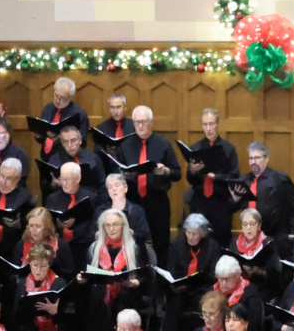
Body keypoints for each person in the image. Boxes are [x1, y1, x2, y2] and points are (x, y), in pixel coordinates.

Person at [118, 105, 180, 247]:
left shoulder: (163, 144)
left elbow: (177, 173)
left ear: (151, 122)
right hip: (133, 201)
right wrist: (124, 175)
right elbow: (118, 169)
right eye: (137, 122)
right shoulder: (125, 145)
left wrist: (165, 171)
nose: (140, 126)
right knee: (133, 244)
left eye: (144, 122)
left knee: (161, 243)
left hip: (157, 202)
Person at [79, 208, 144, 331]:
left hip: (127, 291)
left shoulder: (135, 248)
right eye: (107, 225)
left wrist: (132, 283)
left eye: (115, 224)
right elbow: (87, 273)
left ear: (123, 226)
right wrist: (81, 279)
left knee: (123, 297)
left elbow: (144, 277)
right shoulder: (94, 248)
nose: (111, 229)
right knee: (96, 295)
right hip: (101, 292)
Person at [162, 213, 220, 331]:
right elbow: (171, 271)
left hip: (201, 289)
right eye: (188, 232)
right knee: (173, 308)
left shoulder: (212, 246)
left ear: (203, 234)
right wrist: (177, 284)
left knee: (204, 305)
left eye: (194, 233)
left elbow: (213, 274)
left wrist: (200, 279)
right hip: (180, 289)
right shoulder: (176, 245)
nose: (190, 236)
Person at [182, 107, 240, 241]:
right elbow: (190, 179)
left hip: (220, 201)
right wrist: (193, 170)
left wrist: (216, 177)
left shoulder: (228, 148)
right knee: (198, 239)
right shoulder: (196, 148)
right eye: (205, 124)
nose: (208, 129)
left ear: (218, 124)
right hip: (200, 201)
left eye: (211, 124)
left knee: (221, 240)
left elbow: (234, 176)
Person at [230, 141, 294, 245]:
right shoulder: (244, 180)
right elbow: (232, 208)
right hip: (250, 237)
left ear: (267, 159)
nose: (253, 162)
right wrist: (235, 199)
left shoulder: (279, 179)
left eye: (257, 158)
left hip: (275, 237)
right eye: (250, 158)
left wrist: (293, 231)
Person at [34, 77, 90, 195]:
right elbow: (42, 130)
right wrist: (39, 135)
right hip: (47, 160)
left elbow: (82, 142)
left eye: (62, 97)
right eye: (56, 95)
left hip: (65, 162)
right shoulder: (48, 108)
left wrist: (60, 137)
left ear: (70, 96)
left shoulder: (78, 114)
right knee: (47, 194)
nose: (58, 100)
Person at [12, 207, 76, 280]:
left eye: (38, 226)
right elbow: (15, 271)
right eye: (31, 226)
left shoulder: (61, 245)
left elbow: (69, 274)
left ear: (47, 227)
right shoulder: (22, 244)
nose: (34, 230)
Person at [209, 254, 264, 331]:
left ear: (237, 276)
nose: (223, 283)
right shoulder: (214, 290)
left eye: (227, 279)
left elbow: (254, 324)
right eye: (221, 278)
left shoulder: (250, 292)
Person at [231, 208, 279, 300]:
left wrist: (260, 272)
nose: (248, 227)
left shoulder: (267, 243)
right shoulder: (235, 242)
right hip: (238, 284)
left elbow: (275, 273)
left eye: (252, 223)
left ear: (259, 225)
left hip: (261, 287)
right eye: (245, 224)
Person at [51, 121, 106, 195]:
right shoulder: (54, 160)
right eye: (66, 142)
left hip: (90, 197)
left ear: (80, 140)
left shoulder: (93, 158)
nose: (70, 145)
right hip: (64, 198)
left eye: (73, 140)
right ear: (62, 143)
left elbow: (102, 184)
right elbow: (47, 187)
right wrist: (53, 185)